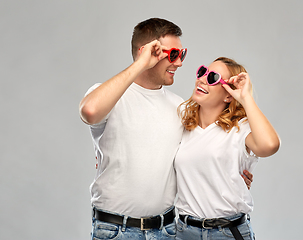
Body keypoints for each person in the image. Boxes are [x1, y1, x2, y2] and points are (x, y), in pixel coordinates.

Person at [79, 18, 253, 240]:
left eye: (183, 54)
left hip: (168, 230)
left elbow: (204, 150)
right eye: (172, 55)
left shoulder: (180, 108)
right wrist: (140, 64)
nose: (179, 63)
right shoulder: (109, 95)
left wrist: (231, 175)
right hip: (116, 230)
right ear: (145, 53)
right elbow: (90, 112)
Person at [174, 57, 280, 240]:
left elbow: (269, 145)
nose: (202, 79)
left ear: (228, 95)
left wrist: (246, 97)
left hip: (226, 233)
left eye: (213, 77)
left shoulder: (240, 129)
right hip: (184, 231)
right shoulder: (183, 124)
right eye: (202, 72)